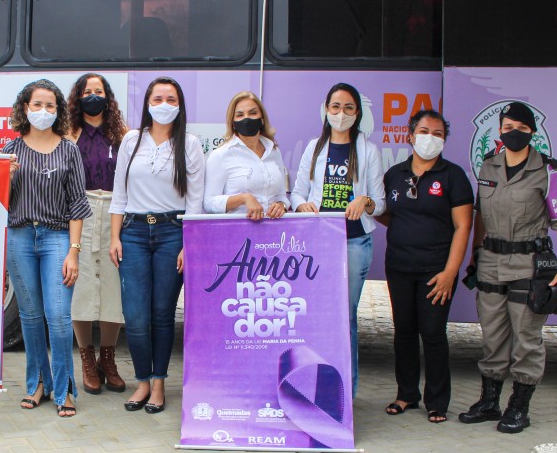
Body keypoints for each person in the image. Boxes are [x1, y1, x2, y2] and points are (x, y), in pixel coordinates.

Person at [459, 101, 557, 433]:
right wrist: (474, 255)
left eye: (522, 128)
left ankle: (519, 407)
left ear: (533, 133)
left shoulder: (550, 171)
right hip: (491, 263)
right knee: (493, 335)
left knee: (526, 336)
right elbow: (481, 215)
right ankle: (489, 402)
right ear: (499, 130)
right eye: (508, 127)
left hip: (529, 264)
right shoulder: (488, 166)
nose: (514, 133)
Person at [109, 77, 205, 414]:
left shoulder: (189, 144)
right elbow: (119, 195)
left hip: (172, 233)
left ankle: (160, 384)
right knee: (135, 316)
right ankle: (142, 382)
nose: (164, 104)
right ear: (148, 103)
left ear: (180, 105)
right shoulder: (132, 141)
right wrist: (114, 236)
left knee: (162, 314)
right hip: (133, 232)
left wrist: (187, 244)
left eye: (171, 98)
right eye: (158, 97)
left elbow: (196, 201)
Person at [290, 82, 385, 398]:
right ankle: (313, 386)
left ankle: (346, 393)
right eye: (335, 107)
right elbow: (298, 194)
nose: (340, 114)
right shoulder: (314, 148)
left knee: (345, 318)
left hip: (354, 243)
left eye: (348, 108)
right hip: (318, 245)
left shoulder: (368, 151)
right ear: (326, 110)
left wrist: (366, 202)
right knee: (315, 316)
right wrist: (302, 205)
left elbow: (380, 203)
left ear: (357, 113)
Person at [3, 79, 91, 418]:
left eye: (50, 106)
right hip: (21, 237)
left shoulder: (69, 150)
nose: (43, 111)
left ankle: (65, 388)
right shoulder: (9, 152)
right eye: (37, 105)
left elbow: (78, 205)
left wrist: (74, 251)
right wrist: (6, 178)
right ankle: (37, 384)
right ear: (25, 108)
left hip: (56, 239)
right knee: (30, 316)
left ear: (59, 111)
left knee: (58, 316)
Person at [377, 110, 473, 423]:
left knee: (432, 332)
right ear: (409, 135)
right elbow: (386, 213)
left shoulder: (453, 176)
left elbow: (463, 227)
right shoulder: (394, 174)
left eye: (437, 133)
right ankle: (406, 394)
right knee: (404, 331)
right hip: (399, 267)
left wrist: (450, 273)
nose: (429, 137)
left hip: (437, 271)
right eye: (423, 130)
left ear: (444, 140)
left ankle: (437, 401)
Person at [66, 73, 129, 395]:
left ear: (108, 97)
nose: (93, 96)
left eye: (99, 91)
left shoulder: (123, 134)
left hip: (115, 215)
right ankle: (87, 360)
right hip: (80, 213)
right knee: (82, 289)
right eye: (87, 91)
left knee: (112, 290)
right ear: (78, 98)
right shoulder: (67, 133)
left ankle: (108, 359)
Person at [204, 91, 290, 219]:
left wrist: (281, 205)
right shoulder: (220, 155)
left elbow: (281, 196)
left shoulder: (273, 150)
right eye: (240, 115)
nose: (247, 119)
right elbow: (209, 203)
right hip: (238, 232)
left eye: (253, 113)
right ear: (232, 122)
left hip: (274, 232)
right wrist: (243, 198)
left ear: (262, 119)